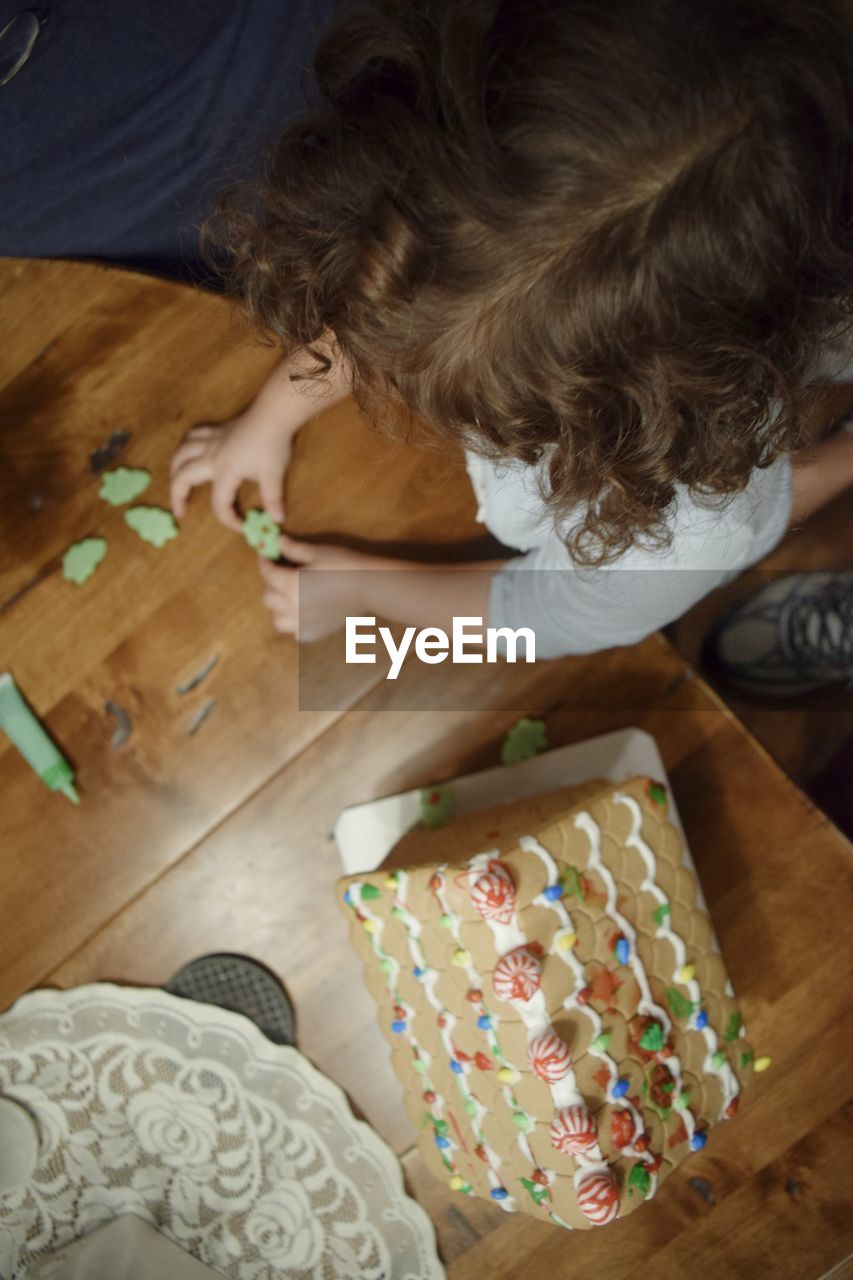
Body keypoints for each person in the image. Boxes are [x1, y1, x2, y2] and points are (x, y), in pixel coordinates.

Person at [166, 0, 853, 656]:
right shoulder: (484, 241)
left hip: (780, 391)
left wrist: (364, 591)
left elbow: (546, 619)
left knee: (776, 487)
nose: (391, 382)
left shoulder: (692, 531)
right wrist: (270, 417)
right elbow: (399, 299)